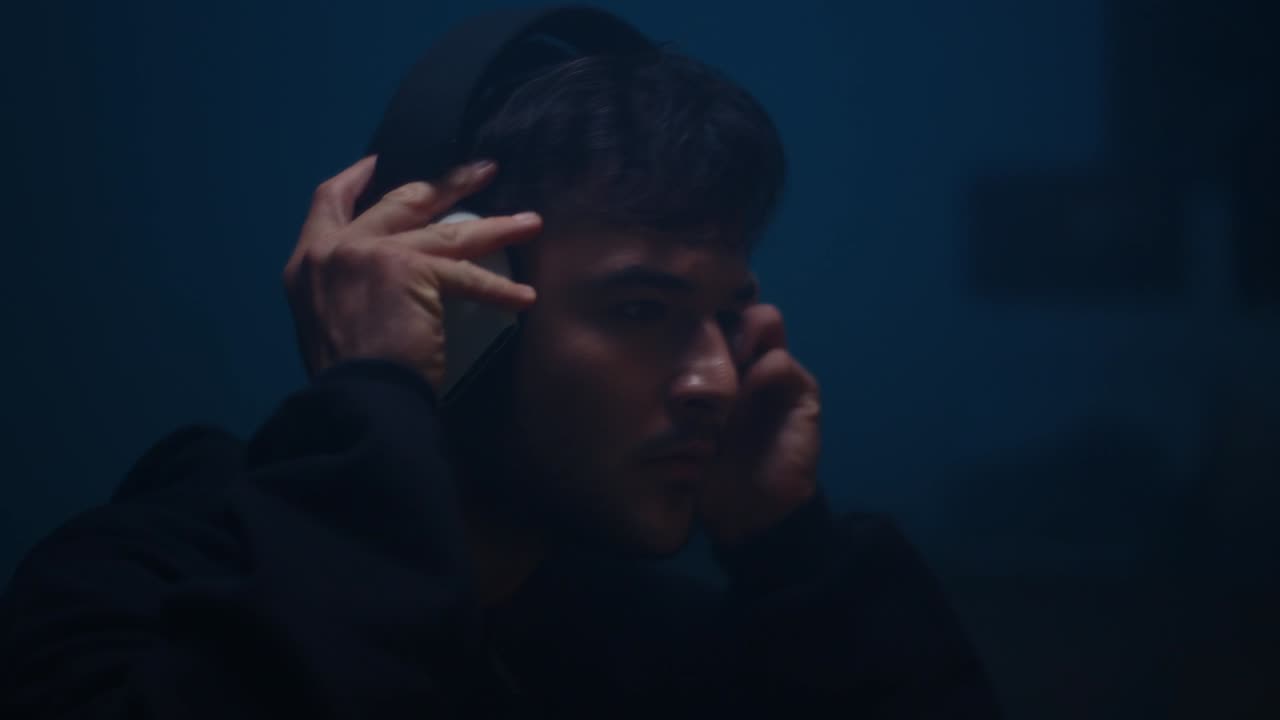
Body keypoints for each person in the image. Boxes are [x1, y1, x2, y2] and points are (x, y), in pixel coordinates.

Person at [0, 7, 1000, 719]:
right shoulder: (133, 589)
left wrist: (793, 556)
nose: (717, 382)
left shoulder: (648, 647)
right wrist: (374, 400)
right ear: (459, 305)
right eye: (642, 310)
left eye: (726, 317)